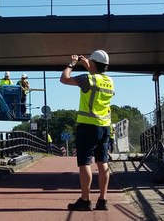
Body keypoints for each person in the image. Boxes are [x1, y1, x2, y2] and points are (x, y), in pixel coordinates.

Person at [60, 49, 114, 212]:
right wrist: (89, 65)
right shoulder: (109, 81)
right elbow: (97, 76)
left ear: (93, 63)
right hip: (105, 127)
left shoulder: (88, 79)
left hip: (88, 126)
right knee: (102, 163)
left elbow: (64, 79)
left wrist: (72, 64)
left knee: (85, 163)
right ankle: (103, 200)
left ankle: (85, 200)